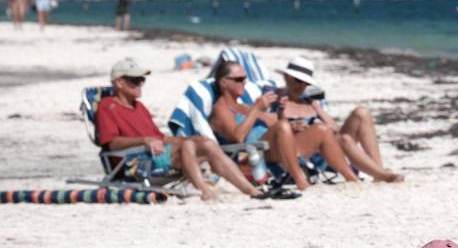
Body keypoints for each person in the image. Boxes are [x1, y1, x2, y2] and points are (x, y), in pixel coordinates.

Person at [96, 58, 264, 201]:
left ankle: (250, 190)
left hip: (156, 153)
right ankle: (205, 190)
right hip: (135, 162)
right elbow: (112, 144)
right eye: (135, 80)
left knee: (206, 144)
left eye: (142, 79)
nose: (140, 83)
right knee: (189, 146)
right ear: (119, 82)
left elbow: (160, 138)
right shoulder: (107, 107)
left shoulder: (138, 107)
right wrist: (145, 140)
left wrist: (190, 139)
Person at [209, 60, 357, 191]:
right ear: (224, 83)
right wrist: (257, 108)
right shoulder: (220, 109)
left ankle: (352, 179)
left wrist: (289, 122)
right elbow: (238, 137)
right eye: (239, 79)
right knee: (282, 127)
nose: (244, 82)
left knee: (321, 130)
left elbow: (275, 121)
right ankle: (301, 181)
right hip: (254, 157)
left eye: (245, 78)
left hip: (276, 148)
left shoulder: (245, 107)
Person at [276, 56, 403, 182]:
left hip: (330, 143)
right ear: (286, 77)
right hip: (306, 150)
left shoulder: (309, 101)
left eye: (306, 83)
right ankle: (383, 175)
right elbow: (272, 133)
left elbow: (336, 129)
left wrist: (317, 109)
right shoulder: (276, 100)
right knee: (344, 139)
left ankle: (378, 174)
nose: (301, 86)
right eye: (298, 80)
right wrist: (290, 123)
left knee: (362, 113)